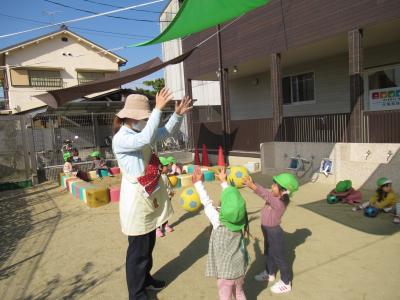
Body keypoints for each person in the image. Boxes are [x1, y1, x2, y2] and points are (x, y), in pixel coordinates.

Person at [112, 89, 192, 300]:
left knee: (148, 246)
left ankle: (145, 279)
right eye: (144, 117)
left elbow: (164, 132)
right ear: (130, 117)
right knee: (137, 252)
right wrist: (157, 108)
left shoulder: (139, 132)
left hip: (148, 196)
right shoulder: (122, 138)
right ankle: (136, 294)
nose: (146, 121)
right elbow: (147, 137)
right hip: (135, 201)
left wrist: (178, 115)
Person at [193, 167, 249, 300]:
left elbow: (206, 201)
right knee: (240, 293)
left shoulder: (218, 220)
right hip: (240, 269)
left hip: (225, 273)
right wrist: (224, 181)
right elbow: (233, 200)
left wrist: (198, 183)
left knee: (225, 297)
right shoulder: (240, 219)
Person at [243, 173, 299, 294]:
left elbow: (266, 195)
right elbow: (270, 195)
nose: (271, 186)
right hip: (267, 230)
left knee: (279, 257)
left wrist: (252, 185)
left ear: (283, 191)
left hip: (274, 232)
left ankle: (286, 282)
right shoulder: (276, 199)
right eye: (273, 184)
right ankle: (270, 273)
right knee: (268, 252)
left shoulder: (279, 203)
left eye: (275, 185)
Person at [156, 157, 175, 237]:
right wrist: (169, 191)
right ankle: (157, 228)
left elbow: (168, 186)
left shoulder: (164, 175)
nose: (168, 167)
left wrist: (171, 191)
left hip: (167, 197)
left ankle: (165, 225)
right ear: (160, 167)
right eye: (166, 166)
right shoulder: (158, 177)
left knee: (166, 211)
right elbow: (161, 188)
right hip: (160, 198)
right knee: (158, 212)